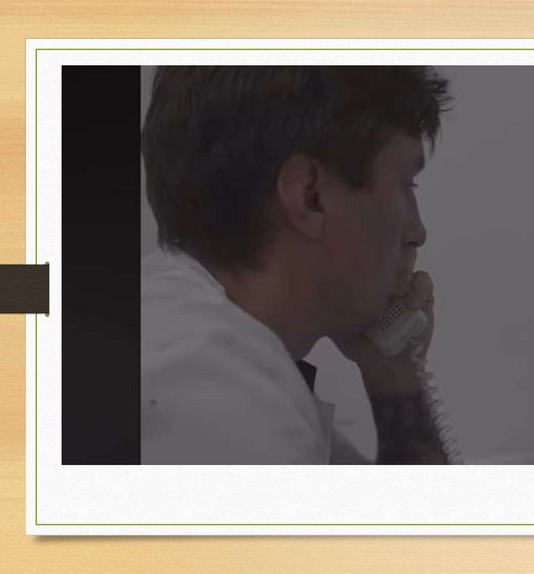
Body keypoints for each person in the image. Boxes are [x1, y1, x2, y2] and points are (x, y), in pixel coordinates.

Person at [140, 66, 454, 464]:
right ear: (310, 196)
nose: (417, 232)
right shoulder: (217, 401)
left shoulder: (207, 348)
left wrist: (395, 373)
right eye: (405, 185)